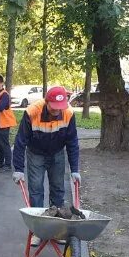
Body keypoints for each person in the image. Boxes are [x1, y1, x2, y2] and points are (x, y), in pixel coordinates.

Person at [12, 86, 81, 246]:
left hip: (57, 153)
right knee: (36, 190)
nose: (57, 111)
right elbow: (20, 141)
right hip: (36, 154)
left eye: (60, 108)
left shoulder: (69, 113)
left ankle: (57, 229)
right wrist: (18, 169)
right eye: (53, 107)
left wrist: (75, 169)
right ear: (46, 101)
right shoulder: (31, 112)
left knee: (58, 189)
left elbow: (72, 142)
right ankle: (39, 231)